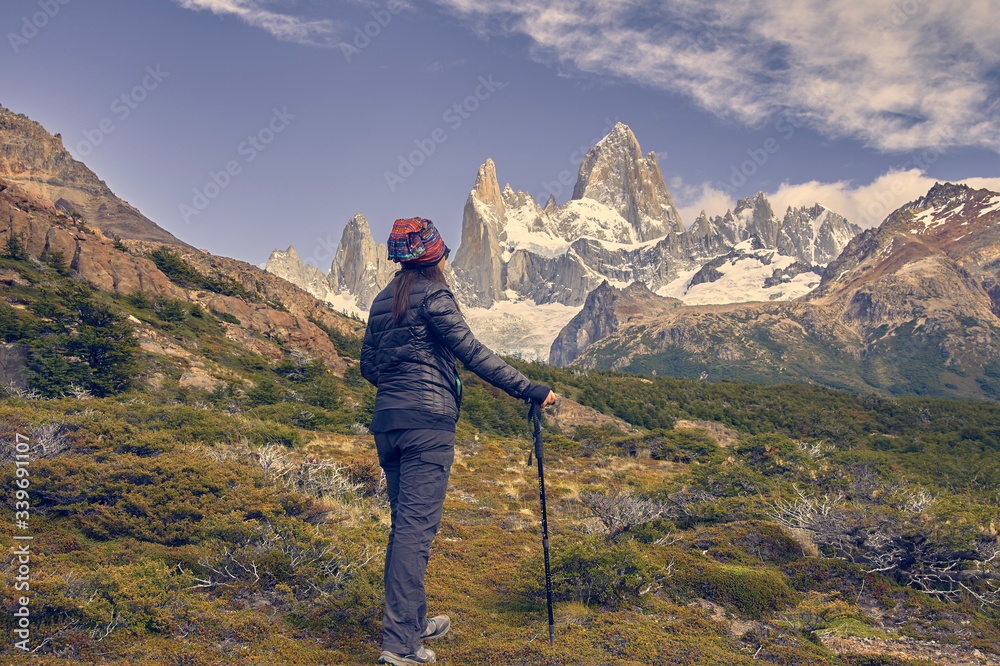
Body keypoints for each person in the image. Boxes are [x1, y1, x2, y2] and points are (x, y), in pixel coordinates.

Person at [361, 217, 556, 665]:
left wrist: (402, 378)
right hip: (428, 426)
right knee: (415, 532)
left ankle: (410, 622)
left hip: (388, 426)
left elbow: (369, 366)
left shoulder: (381, 300)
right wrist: (530, 389)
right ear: (435, 258)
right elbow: (473, 353)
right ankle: (401, 647)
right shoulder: (435, 295)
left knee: (405, 528)